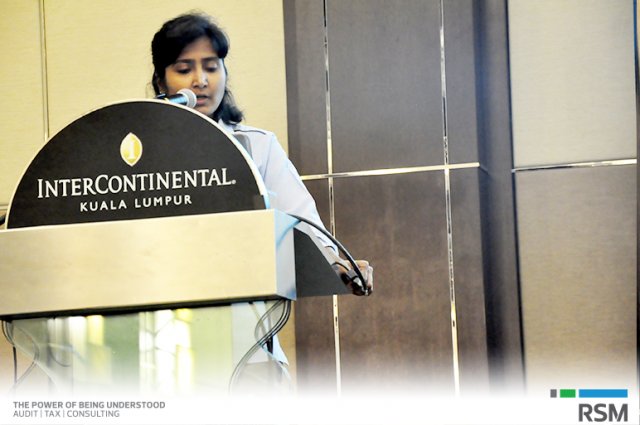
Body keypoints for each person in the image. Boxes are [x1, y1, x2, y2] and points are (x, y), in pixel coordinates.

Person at [151, 12, 372, 295]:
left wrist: (337, 265)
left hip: (246, 310)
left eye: (212, 67)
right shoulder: (146, 152)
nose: (201, 80)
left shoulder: (259, 146)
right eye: (184, 70)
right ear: (161, 83)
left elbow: (303, 225)